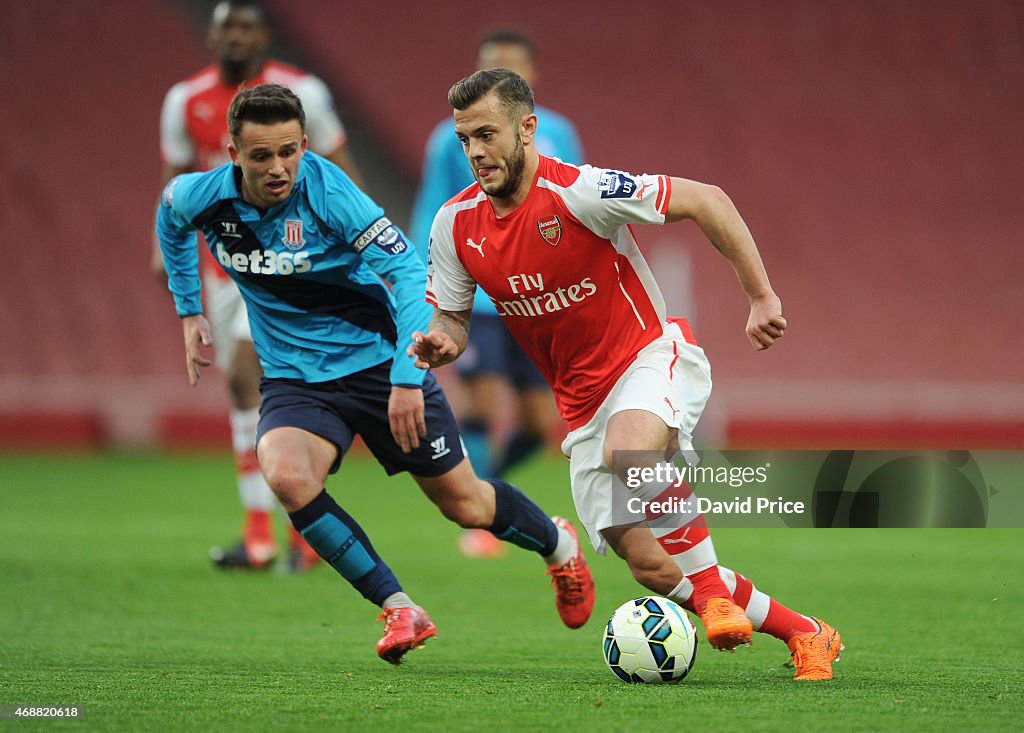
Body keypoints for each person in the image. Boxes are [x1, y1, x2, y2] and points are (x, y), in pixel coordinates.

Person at [412, 68, 843, 680]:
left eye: (486, 134)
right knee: (653, 568)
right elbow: (453, 318)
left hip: (648, 357)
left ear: (527, 129)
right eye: (464, 140)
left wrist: (761, 297)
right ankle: (808, 633)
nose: (475, 152)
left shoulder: (581, 192)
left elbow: (707, 199)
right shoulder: (454, 226)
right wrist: (441, 343)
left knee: (630, 453)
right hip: (580, 408)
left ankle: (715, 597)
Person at [156, 83, 595, 664]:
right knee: (286, 475)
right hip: (295, 379)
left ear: (304, 144)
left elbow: (412, 277)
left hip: (378, 365)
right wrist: (190, 310)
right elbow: (169, 220)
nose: (278, 167)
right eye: (260, 156)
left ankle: (559, 546)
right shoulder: (201, 196)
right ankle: (398, 607)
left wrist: (406, 379)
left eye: (288, 151)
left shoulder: (331, 195)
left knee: (465, 505)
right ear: (232, 152)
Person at [154, 0, 364, 572]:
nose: (235, 37)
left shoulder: (304, 93)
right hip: (225, 266)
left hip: (295, 261)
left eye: (246, 27)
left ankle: (291, 531)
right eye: (226, 28)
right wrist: (162, 249)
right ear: (213, 37)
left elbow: (340, 165)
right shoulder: (185, 101)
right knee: (243, 391)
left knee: (254, 371)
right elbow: (178, 182)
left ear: (264, 35)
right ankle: (264, 533)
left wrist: (356, 238)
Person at [410, 27, 583, 558]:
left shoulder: (557, 131)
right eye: (492, 65)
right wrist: (428, 279)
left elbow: (574, 199)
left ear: (529, 77)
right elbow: (436, 208)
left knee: (538, 425)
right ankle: (479, 522)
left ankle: (491, 492)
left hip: (537, 300)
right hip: (482, 296)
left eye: (511, 67)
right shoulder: (450, 138)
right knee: (483, 408)